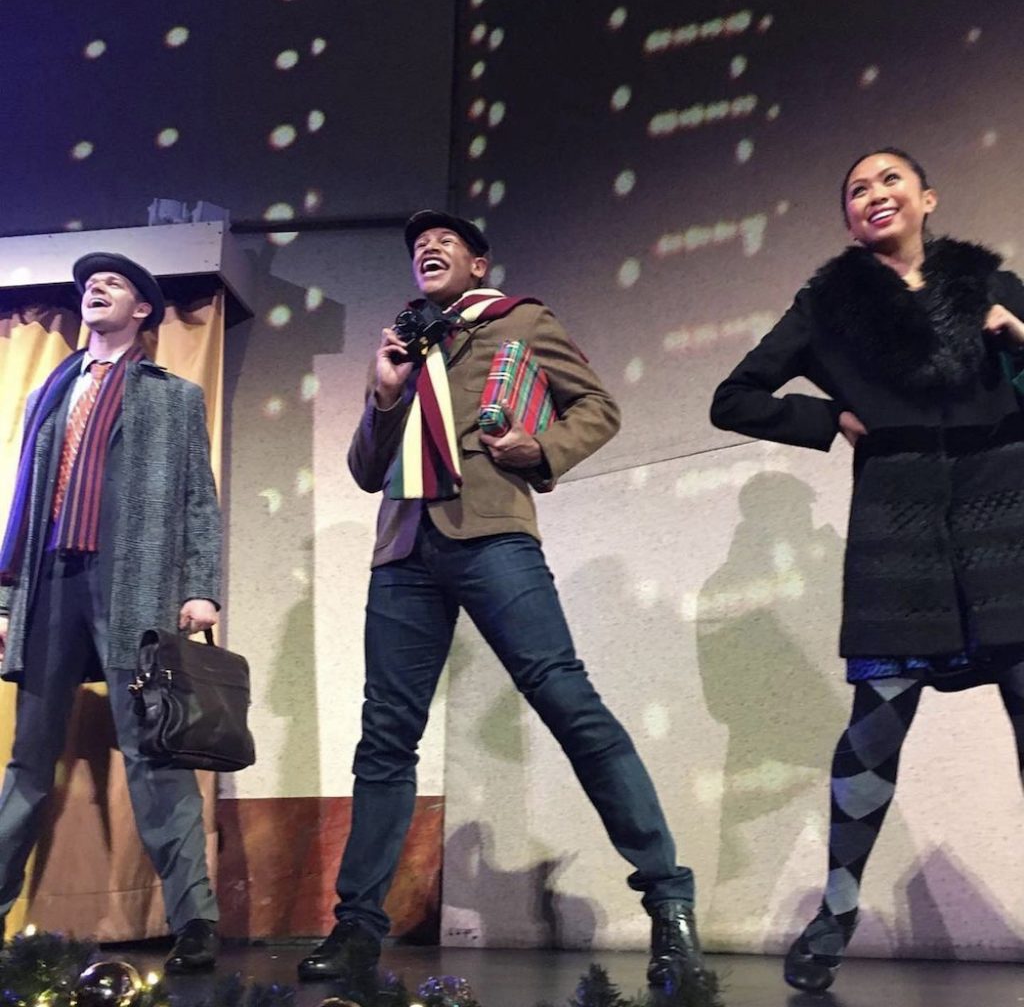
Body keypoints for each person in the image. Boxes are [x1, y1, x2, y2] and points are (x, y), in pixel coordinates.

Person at [298, 211, 711, 1000]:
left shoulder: (521, 320)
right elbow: (362, 469)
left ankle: (668, 898)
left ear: (479, 260)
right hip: (404, 550)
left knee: (567, 701)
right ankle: (355, 929)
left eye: (446, 239)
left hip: (492, 537)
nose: (428, 246)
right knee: (386, 736)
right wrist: (383, 397)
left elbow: (597, 405)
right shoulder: (401, 343)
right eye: (419, 243)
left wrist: (542, 451)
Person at [710, 148, 1024, 992]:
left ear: (928, 197)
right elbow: (733, 397)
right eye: (856, 189)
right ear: (848, 219)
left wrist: (1019, 341)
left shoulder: (997, 289)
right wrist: (831, 419)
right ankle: (836, 912)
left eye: (890, 181)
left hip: (1009, 520)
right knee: (873, 733)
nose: (874, 194)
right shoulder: (829, 306)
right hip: (901, 530)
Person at [0, 252, 222, 972]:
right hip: (51, 582)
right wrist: (6, 597)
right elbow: (24, 503)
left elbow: (198, 498)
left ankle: (194, 920)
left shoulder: (171, 396)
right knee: (29, 761)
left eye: (113, 283)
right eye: (88, 283)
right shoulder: (50, 390)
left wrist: (201, 587)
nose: (94, 288)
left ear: (144, 310)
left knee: (154, 754)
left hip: (132, 582)